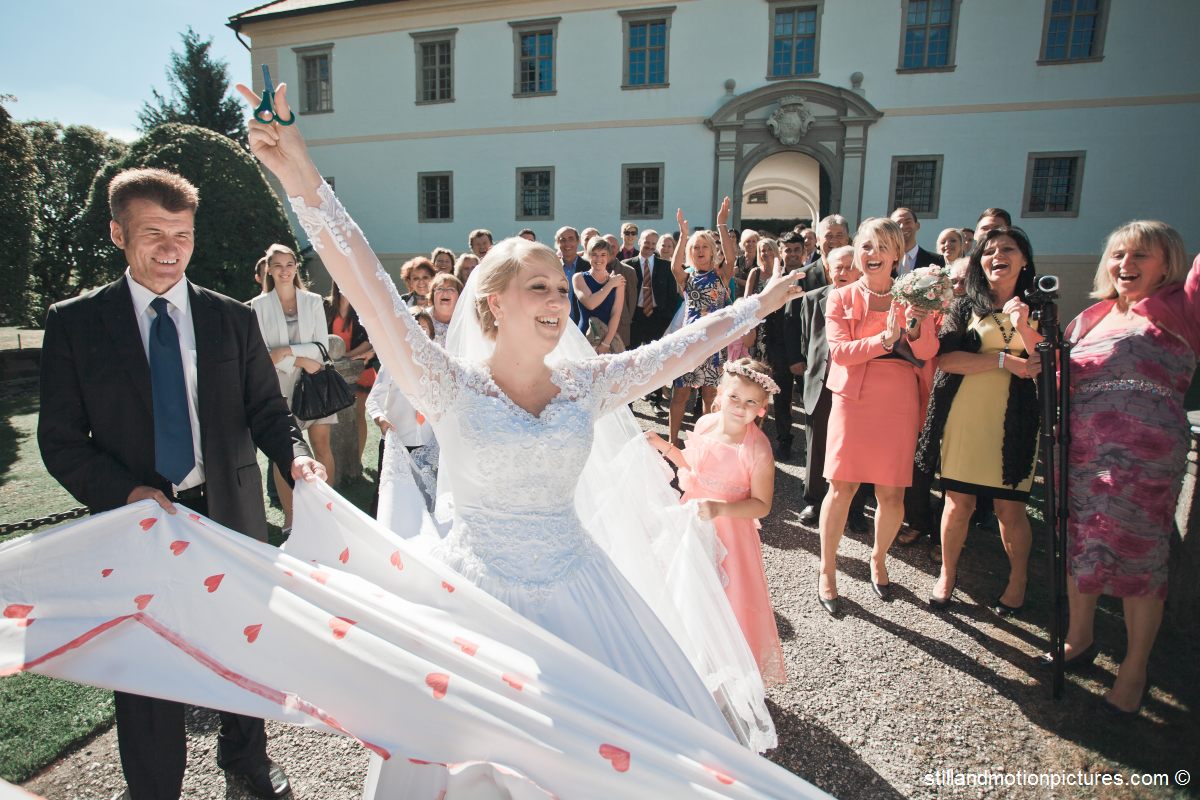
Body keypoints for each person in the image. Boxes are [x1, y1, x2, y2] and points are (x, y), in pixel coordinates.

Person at [239, 80, 810, 791]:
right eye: (537, 287)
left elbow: (680, 350)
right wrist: (298, 169)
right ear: (491, 303)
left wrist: (759, 301)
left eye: (558, 288)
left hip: (582, 594)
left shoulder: (587, 384)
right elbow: (364, 279)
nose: (555, 299)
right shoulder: (444, 383)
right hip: (475, 599)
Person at [37, 166, 323, 800]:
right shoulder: (76, 324)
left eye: (183, 234)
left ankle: (246, 763)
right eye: (153, 232)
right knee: (147, 665)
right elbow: (59, 442)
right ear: (118, 234)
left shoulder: (229, 318)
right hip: (135, 524)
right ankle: (154, 786)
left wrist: (296, 457)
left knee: (241, 647)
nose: (170, 248)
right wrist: (127, 494)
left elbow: (268, 413)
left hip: (229, 517)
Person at [1048, 222, 1198, 715]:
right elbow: (1060, 378)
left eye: (1141, 256)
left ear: (1169, 263)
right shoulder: (1089, 318)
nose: (1125, 265)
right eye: (1117, 255)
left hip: (1146, 461)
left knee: (1140, 557)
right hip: (1082, 453)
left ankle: (1135, 670)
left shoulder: (1181, 307)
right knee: (1080, 542)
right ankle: (1079, 636)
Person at [916, 227, 1042, 614]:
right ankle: (947, 575)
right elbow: (947, 361)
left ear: (1024, 260)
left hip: (1015, 420)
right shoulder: (965, 306)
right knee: (957, 503)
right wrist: (1003, 361)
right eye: (989, 250)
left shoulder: (1041, 307)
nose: (997, 256)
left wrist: (1022, 325)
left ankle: (1018, 579)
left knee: (1010, 509)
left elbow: (1046, 365)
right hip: (965, 416)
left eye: (1008, 249)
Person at [817, 218, 938, 615]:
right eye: (866, 246)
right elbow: (839, 352)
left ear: (897, 253)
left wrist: (918, 323)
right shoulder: (841, 297)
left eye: (882, 246)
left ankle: (878, 558)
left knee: (891, 492)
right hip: (854, 398)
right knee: (842, 488)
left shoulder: (914, 298)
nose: (872, 254)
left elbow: (925, 352)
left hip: (898, 399)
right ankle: (828, 569)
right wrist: (882, 340)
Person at [647, 359, 786, 686]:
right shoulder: (707, 424)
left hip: (730, 535)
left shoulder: (758, 451)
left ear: (762, 408)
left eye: (751, 402)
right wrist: (665, 447)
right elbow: (694, 471)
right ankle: (687, 665)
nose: (740, 407)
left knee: (725, 601)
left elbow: (762, 505)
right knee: (686, 592)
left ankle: (722, 674)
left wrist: (720, 509)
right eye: (735, 398)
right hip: (692, 522)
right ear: (720, 394)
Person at [250, 244, 337, 531]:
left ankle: (327, 511)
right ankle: (291, 515)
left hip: (315, 382)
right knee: (284, 452)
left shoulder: (312, 301)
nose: (285, 270)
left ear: (296, 268)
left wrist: (286, 351)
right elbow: (264, 353)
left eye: (290, 264)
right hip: (279, 385)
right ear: (269, 270)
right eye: (278, 265)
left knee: (322, 446)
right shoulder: (258, 306)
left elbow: (321, 346)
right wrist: (298, 357)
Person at [789, 245, 870, 533]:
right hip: (821, 380)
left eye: (851, 266)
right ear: (828, 269)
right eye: (839, 267)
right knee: (817, 443)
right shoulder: (812, 299)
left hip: (856, 383)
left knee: (855, 447)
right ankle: (813, 499)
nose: (845, 272)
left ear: (860, 269)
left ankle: (856, 508)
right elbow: (806, 340)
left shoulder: (869, 301)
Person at [667, 201, 737, 448]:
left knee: (709, 394)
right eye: (695, 247)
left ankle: (707, 441)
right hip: (689, 341)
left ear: (712, 251)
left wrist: (721, 223)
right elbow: (674, 266)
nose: (700, 250)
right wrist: (683, 235)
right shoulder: (686, 277)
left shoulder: (721, 274)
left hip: (714, 342)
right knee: (681, 394)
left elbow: (732, 256)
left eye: (705, 246)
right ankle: (672, 441)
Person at [327, 280, 377, 463]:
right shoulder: (326, 307)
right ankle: (336, 459)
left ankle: (356, 459)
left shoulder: (362, 309)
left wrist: (346, 355)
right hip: (332, 371)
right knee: (334, 418)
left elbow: (369, 339)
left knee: (358, 415)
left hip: (360, 369)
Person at [573, 237, 626, 353]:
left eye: (603, 254)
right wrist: (610, 284)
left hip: (608, 339)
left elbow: (615, 315)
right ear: (588, 255)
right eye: (594, 254)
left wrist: (606, 343)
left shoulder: (619, 282)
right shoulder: (579, 278)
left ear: (609, 257)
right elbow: (591, 304)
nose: (599, 259)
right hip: (584, 337)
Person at [890, 207, 944, 276]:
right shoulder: (883, 259)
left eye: (908, 222)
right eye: (897, 223)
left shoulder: (936, 260)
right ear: (891, 229)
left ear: (917, 225)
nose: (902, 227)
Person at [554, 226, 587, 323]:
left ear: (578, 241)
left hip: (582, 325)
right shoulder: (552, 268)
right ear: (557, 244)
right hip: (556, 322)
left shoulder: (588, 267)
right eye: (562, 240)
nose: (567, 243)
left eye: (571, 239)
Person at [428, 272, 462, 343]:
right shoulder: (419, 319)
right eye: (440, 289)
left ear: (460, 296)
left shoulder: (466, 322)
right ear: (432, 295)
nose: (445, 292)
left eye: (451, 289)